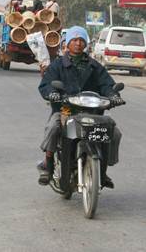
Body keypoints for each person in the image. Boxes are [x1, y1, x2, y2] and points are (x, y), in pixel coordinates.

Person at [37, 26, 124, 188]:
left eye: (81, 40)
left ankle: (103, 170)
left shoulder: (95, 66)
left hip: (93, 112)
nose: (78, 43)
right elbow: (46, 85)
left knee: (114, 131)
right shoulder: (57, 65)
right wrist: (52, 93)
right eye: (74, 40)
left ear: (86, 44)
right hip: (66, 111)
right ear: (67, 43)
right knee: (53, 127)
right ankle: (48, 165)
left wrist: (113, 96)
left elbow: (106, 84)